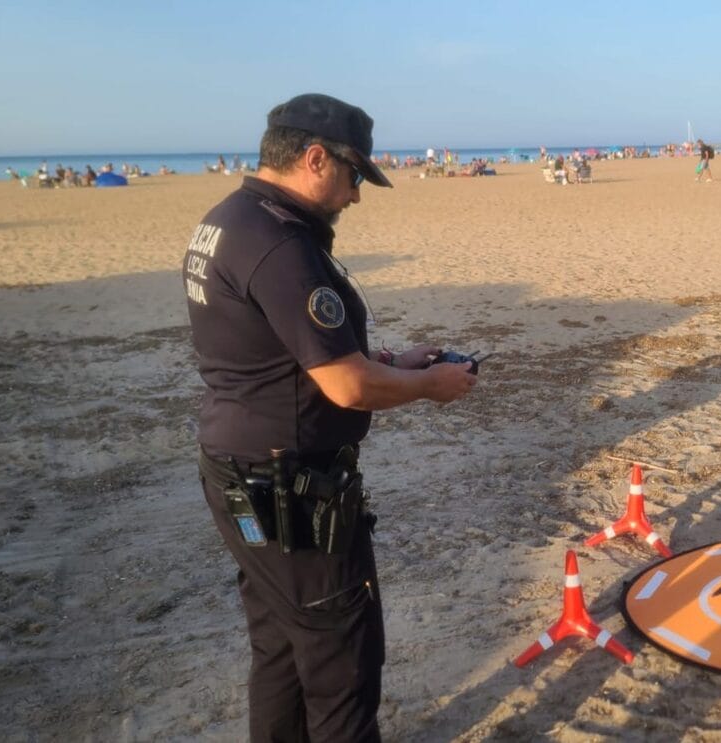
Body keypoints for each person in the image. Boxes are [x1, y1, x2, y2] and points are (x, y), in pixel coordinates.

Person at [182, 93, 477, 742]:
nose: (356, 195)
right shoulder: (280, 245)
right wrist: (429, 385)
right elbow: (346, 385)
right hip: (290, 491)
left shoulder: (229, 219)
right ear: (316, 158)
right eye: (353, 175)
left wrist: (392, 360)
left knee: (281, 645)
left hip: (238, 472)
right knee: (341, 659)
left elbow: (287, 353)